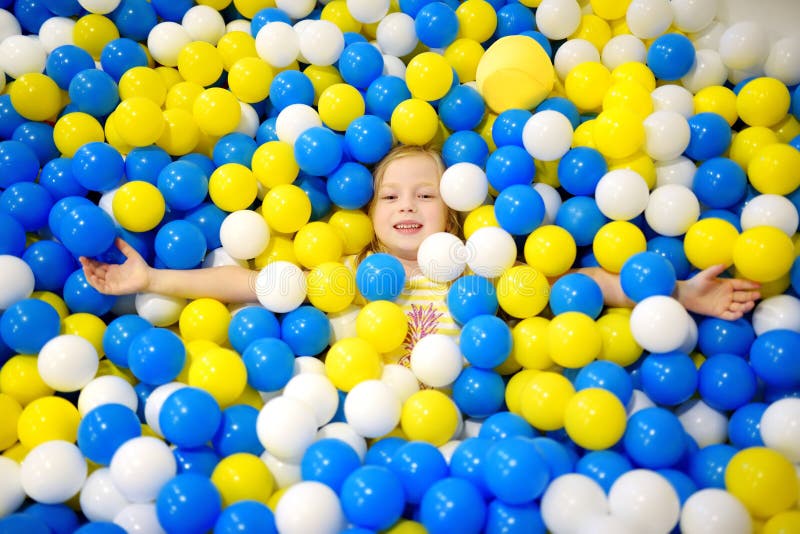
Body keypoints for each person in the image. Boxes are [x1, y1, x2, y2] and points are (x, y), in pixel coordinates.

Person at [81, 144, 761, 365]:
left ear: (454, 211)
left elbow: (581, 286)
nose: (406, 205)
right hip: (348, 404)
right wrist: (153, 276)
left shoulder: (478, 268)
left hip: (469, 405)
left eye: (425, 194)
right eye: (389, 197)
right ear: (369, 218)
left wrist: (675, 294)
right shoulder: (345, 272)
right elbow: (255, 283)